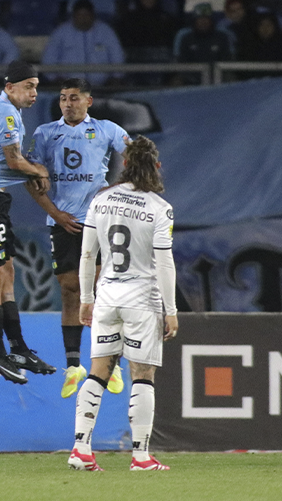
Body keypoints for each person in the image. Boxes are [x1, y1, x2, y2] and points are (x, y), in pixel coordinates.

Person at [68, 136, 177, 472]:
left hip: (107, 296)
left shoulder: (101, 200)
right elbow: (164, 263)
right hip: (142, 299)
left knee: (98, 370)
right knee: (142, 374)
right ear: (156, 167)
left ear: (125, 165)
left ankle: (81, 449)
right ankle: (141, 457)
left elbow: (88, 255)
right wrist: (171, 310)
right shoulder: (159, 208)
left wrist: (86, 299)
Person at [26, 78, 128, 398]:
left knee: (99, 290)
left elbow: (138, 159)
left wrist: (113, 190)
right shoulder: (45, 133)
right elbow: (31, 179)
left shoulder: (106, 129)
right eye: (63, 98)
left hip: (99, 221)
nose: (67, 104)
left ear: (88, 101)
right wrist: (55, 214)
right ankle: (73, 366)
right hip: (63, 223)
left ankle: (111, 362)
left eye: (74, 98)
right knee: (70, 290)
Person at [0, 61, 55, 385]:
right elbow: (13, 160)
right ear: (10, 87)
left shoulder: (3, 108)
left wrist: (30, 171)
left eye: (36, 87)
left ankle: (18, 348)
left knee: (7, 272)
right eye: (28, 86)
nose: (34, 93)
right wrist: (39, 170)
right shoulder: (4, 114)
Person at [42, 0, 126, 85]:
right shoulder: (61, 32)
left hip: (101, 87)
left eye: (86, 15)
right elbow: (48, 59)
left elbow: (117, 57)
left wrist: (116, 77)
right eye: (79, 15)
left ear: (93, 16)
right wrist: (54, 78)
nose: (83, 19)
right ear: (73, 16)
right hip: (68, 87)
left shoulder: (106, 31)